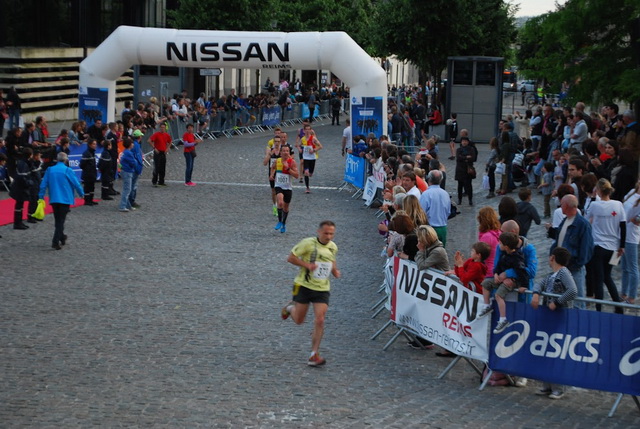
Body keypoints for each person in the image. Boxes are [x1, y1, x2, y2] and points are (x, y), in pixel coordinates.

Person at [281, 220, 341, 367]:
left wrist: (335, 271)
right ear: (318, 231)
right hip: (303, 285)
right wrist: (307, 265)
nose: (328, 236)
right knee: (299, 320)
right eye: (326, 233)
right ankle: (289, 308)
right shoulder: (308, 243)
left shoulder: (333, 247)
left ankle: (314, 354)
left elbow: (331, 261)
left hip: (322, 288)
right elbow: (291, 258)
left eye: (331, 234)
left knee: (320, 320)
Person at [531, 246, 578, 400]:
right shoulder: (553, 274)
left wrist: (557, 302)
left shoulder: (563, 273)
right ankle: (547, 385)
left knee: (556, 351)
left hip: (560, 315)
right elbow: (540, 283)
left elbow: (572, 291)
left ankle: (558, 387)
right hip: (551, 317)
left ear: (552, 258)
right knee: (547, 350)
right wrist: (536, 294)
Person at [587, 178, 625, 314]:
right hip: (615, 248)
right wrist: (622, 246)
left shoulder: (595, 205)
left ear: (598, 190)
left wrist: (592, 198)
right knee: (608, 276)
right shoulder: (618, 204)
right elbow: (623, 225)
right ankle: (618, 306)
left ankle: (599, 310)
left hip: (599, 247)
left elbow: (587, 218)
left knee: (599, 278)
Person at [478, 232, 529, 334]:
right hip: (500, 279)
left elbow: (523, 273)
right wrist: (496, 274)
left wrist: (524, 286)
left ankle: (503, 319)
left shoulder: (517, 258)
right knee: (485, 283)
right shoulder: (504, 254)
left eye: (500, 243)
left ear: (506, 246)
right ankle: (487, 305)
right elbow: (498, 267)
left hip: (513, 282)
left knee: (498, 295)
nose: (498, 245)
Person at [549, 194, 593, 309]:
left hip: (574, 268)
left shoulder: (582, 224)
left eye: (562, 203)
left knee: (577, 299)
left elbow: (586, 248)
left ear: (567, 205)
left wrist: (577, 264)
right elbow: (558, 241)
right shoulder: (565, 221)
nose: (560, 205)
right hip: (561, 267)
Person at [38, 152, 85, 250]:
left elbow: (43, 184)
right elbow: (76, 183)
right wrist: (81, 193)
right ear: (66, 160)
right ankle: (55, 241)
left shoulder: (50, 170)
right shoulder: (68, 170)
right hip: (65, 198)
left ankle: (62, 236)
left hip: (54, 198)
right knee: (61, 220)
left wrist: (41, 196)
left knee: (58, 219)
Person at [271, 145, 299, 233]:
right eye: (284, 151)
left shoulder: (292, 162)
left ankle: (283, 223)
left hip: (288, 187)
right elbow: (273, 167)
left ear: (289, 152)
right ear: (281, 152)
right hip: (278, 185)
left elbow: (297, 175)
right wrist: (272, 175)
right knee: (280, 202)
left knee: (286, 208)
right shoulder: (277, 161)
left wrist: (288, 169)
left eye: (287, 151)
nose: (286, 152)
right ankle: (279, 221)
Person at [419, 170, 450, 246]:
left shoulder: (426, 194)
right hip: (442, 228)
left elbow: (421, 213)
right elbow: (448, 211)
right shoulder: (445, 194)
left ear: (428, 179)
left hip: (430, 228)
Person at [621, 181, 640, 305]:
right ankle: (623, 293)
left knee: (632, 267)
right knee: (625, 267)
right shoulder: (632, 193)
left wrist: (635, 219)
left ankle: (632, 296)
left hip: (632, 236)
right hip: (623, 233)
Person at [10, 147, 33, 230]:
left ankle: (19, 222)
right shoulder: (23, 164)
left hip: (19, 187)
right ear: (29, 155)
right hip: (20, 188)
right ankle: (17, 223)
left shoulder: (22, 162)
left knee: (20, 205)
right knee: (19, 206)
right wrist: (29, 183)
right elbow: (23, 177)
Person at [477, 206, 502, 278]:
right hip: (496, 269)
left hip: (488, 271)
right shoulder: (498, 232)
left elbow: (479, 255)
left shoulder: (487, 237)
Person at [300, 125, 323, 193]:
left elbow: (320, 146)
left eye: (308, 129)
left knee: (310, 173)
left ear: (310, 130)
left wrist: (314, 150)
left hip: (312, 157)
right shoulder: (303, 139)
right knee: (306, 173)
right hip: (305, 158)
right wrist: (300, 149)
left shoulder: (313, 139)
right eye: (306, 129)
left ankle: (310, 172)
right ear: (304, 131)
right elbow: (299, 145)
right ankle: (307, 188)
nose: (307, 131)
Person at [455, 136, 477, 206]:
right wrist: (466, 157)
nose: (464, 142)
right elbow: (458, 158)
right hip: (460, 170)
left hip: (468, 170)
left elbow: (473, 158)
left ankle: (470, 200)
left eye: (465, 141)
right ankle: (459, 199)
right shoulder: (459, 149)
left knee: (469, 185)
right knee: (460, 185)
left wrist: (463, 158)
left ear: (468, 142)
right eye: (463, 141)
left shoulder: (471, 149)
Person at [149, 122, 172, 187]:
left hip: (163, 152)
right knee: (156, 167)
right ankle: (154, 181)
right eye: (161, 127)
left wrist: (167, 148)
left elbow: (170, 141)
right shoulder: (156, 134)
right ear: (159, 128)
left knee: (162, 167)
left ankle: (161, 181)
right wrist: (154, 148)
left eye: (163, 127)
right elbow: (149, 140)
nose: (162, 129)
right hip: (157, 152)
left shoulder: (167, 135)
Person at [118, 138, 137, 212]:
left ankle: (128, 205)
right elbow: (133, 163)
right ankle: (122, 206)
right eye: (132, 143)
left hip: (125, 171)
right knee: (127, 189)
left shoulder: (125, 152)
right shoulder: (129, 153)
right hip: (127, 172)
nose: (133, 144)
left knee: (127, 188)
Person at [80, 138, 99, 206]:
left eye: (95, 144)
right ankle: (87, 201)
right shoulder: (86, 153)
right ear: (90, 145)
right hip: (87, 174)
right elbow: (82, 164)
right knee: (87, 187)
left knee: (92, 187)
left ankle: (91, 200)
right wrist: (88, 169)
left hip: (92, 173)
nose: (95, 145)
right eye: (94, 144)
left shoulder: (92, 153)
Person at [129, 130, 144, 207]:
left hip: (134, 167)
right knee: (133, 186)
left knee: (132, 185)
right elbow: (137, 157)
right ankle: (131, 201)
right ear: (139, 137)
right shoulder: (136, 145)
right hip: (136, 168)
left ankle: (130, 201)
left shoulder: (134, 144)